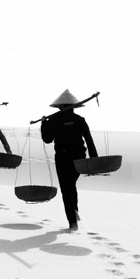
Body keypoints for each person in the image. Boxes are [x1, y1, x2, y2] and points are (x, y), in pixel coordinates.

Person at [40, 89, 97, 231]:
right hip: (79, 157)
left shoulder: (54, 120)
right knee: (71, 185)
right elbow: (89, 140)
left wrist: (44, 124)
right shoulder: (79, 120)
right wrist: (94, 159)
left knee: (66, 188)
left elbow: (47, 140)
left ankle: (72, 222)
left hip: (63, 157)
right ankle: (75, 211)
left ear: (60, 107)